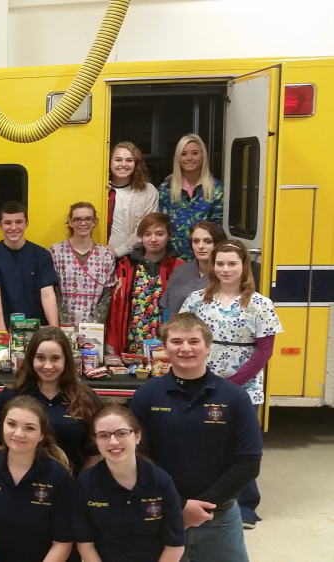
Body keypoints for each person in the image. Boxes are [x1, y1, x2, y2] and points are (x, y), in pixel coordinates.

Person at [129, 313, 262, 562]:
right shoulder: (146, 396)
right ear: (165, 347)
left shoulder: (235, 398)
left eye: (194, 341)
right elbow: (136, 457)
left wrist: (198, 508)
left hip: (219, 519)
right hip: (160, 515)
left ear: (208, 347)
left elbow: (249, 463)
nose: (185, 348)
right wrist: (178, 504)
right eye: (177, 342)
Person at [181, 240, 282, 528]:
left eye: (232, 263)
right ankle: (205, 497)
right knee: (204, 439)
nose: (225, 269)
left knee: (242, 445)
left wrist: (234, 383)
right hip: (199, 380)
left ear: (243, 266)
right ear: (212, 266)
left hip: (244, 386)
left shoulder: (261, 304)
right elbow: (183, 337)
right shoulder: (196, 300)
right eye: (220, 263)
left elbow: (264, 350)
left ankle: (247, 504)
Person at [73, 404, 185, 562]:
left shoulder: (161, 481)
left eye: (121, 433)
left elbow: (174, 545)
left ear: (137, 436)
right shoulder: (85, 483)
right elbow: (85, 543)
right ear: (95, 441)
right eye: (103, 435)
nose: (113, 442)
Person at [0, 395, 74, 562]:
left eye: (29, 428)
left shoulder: (58, 476)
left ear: (41, 435)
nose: (18, 433)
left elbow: (62, 542)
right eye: (11, 424)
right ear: (1, 425)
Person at [0, 326, 101, 475]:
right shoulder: (11, 395)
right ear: (31, 358)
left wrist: (79, 489)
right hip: (20, 486)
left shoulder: (86, 398)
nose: (48, 366)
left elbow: (93, 455)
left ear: (66, 360)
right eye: (40, 358)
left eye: (55, 358)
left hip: (70, 487)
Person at [107, 212, 184, 356]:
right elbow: (115, 308)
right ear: (141, 237)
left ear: (169, 235)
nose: (153, 239)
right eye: (147, 234)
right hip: (131, 346)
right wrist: (112, 345)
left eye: (159, 234)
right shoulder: (126, 267)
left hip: (168, 348)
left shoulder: (180, 268)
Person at [0, 201, 59, 330]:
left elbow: (48, 295)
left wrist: (54, 330)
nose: (13, 228)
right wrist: (1, 332)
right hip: (1, 327)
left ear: (26, 224)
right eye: (8, 223)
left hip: (36, 329)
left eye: (19, 222)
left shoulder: (41, 255)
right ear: (0, 225)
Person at [158, 134, 225, 261]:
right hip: (172, 261)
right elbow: (161, 226)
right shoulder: (166, 189)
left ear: (203, 155)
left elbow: (219, 229)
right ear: (178, 158)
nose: (189, 158)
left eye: (195, 153)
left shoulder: (217, 189)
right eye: (183, 154)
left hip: (207, 260)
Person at [50, 202, 118, 327]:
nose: (83, 223)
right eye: (77, 219)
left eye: (88, 219)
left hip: (94, 327)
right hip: (62, 325)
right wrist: (64, 322)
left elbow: (107, 294)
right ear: (70, 222)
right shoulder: (55, 252)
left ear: (94, 222)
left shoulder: (105, 255)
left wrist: (94, 324)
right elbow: (52, 291)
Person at [161, 221, 227, 319]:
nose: (200, 246)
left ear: (218, 243)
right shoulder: (180, 271)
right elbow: (168, 310)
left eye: (208, 241)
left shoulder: (226, 274)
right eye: (196, 241)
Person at [107, 141, 159, 258]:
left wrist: (118, 251)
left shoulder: (148, 191)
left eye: (129, 160)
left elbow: (147, 227)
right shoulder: (100, 190)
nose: (123, 164)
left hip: (136, 257)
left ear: (136, 164)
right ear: (109, 163)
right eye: (118, 160)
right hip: (100, 257)